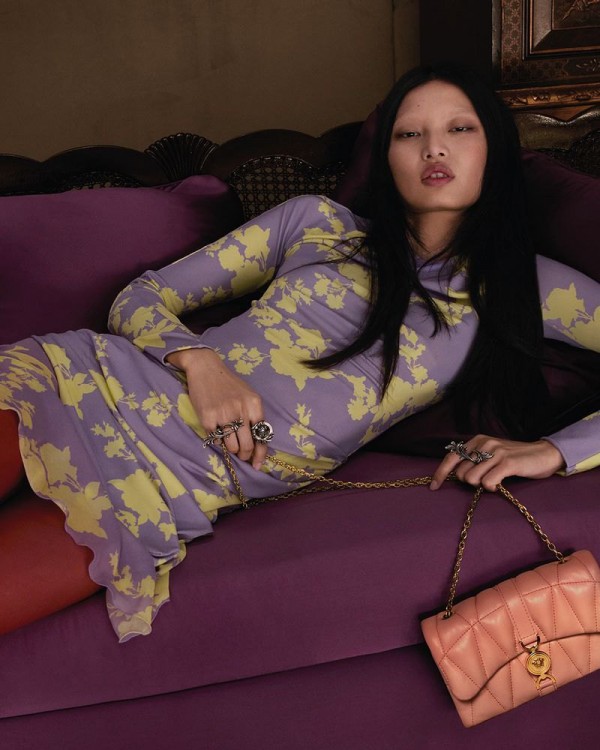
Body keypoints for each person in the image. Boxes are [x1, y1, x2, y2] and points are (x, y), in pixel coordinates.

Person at [1, 63, 598, 642]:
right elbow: (141, 296)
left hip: (164, 489)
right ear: (387, 157)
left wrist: (553, 451)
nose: (433, 149)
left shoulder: (525, 287)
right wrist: (202, 364)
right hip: (77, 385)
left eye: (459, 129)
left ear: (495, 147)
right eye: (409, 134)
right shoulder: (317, 223)